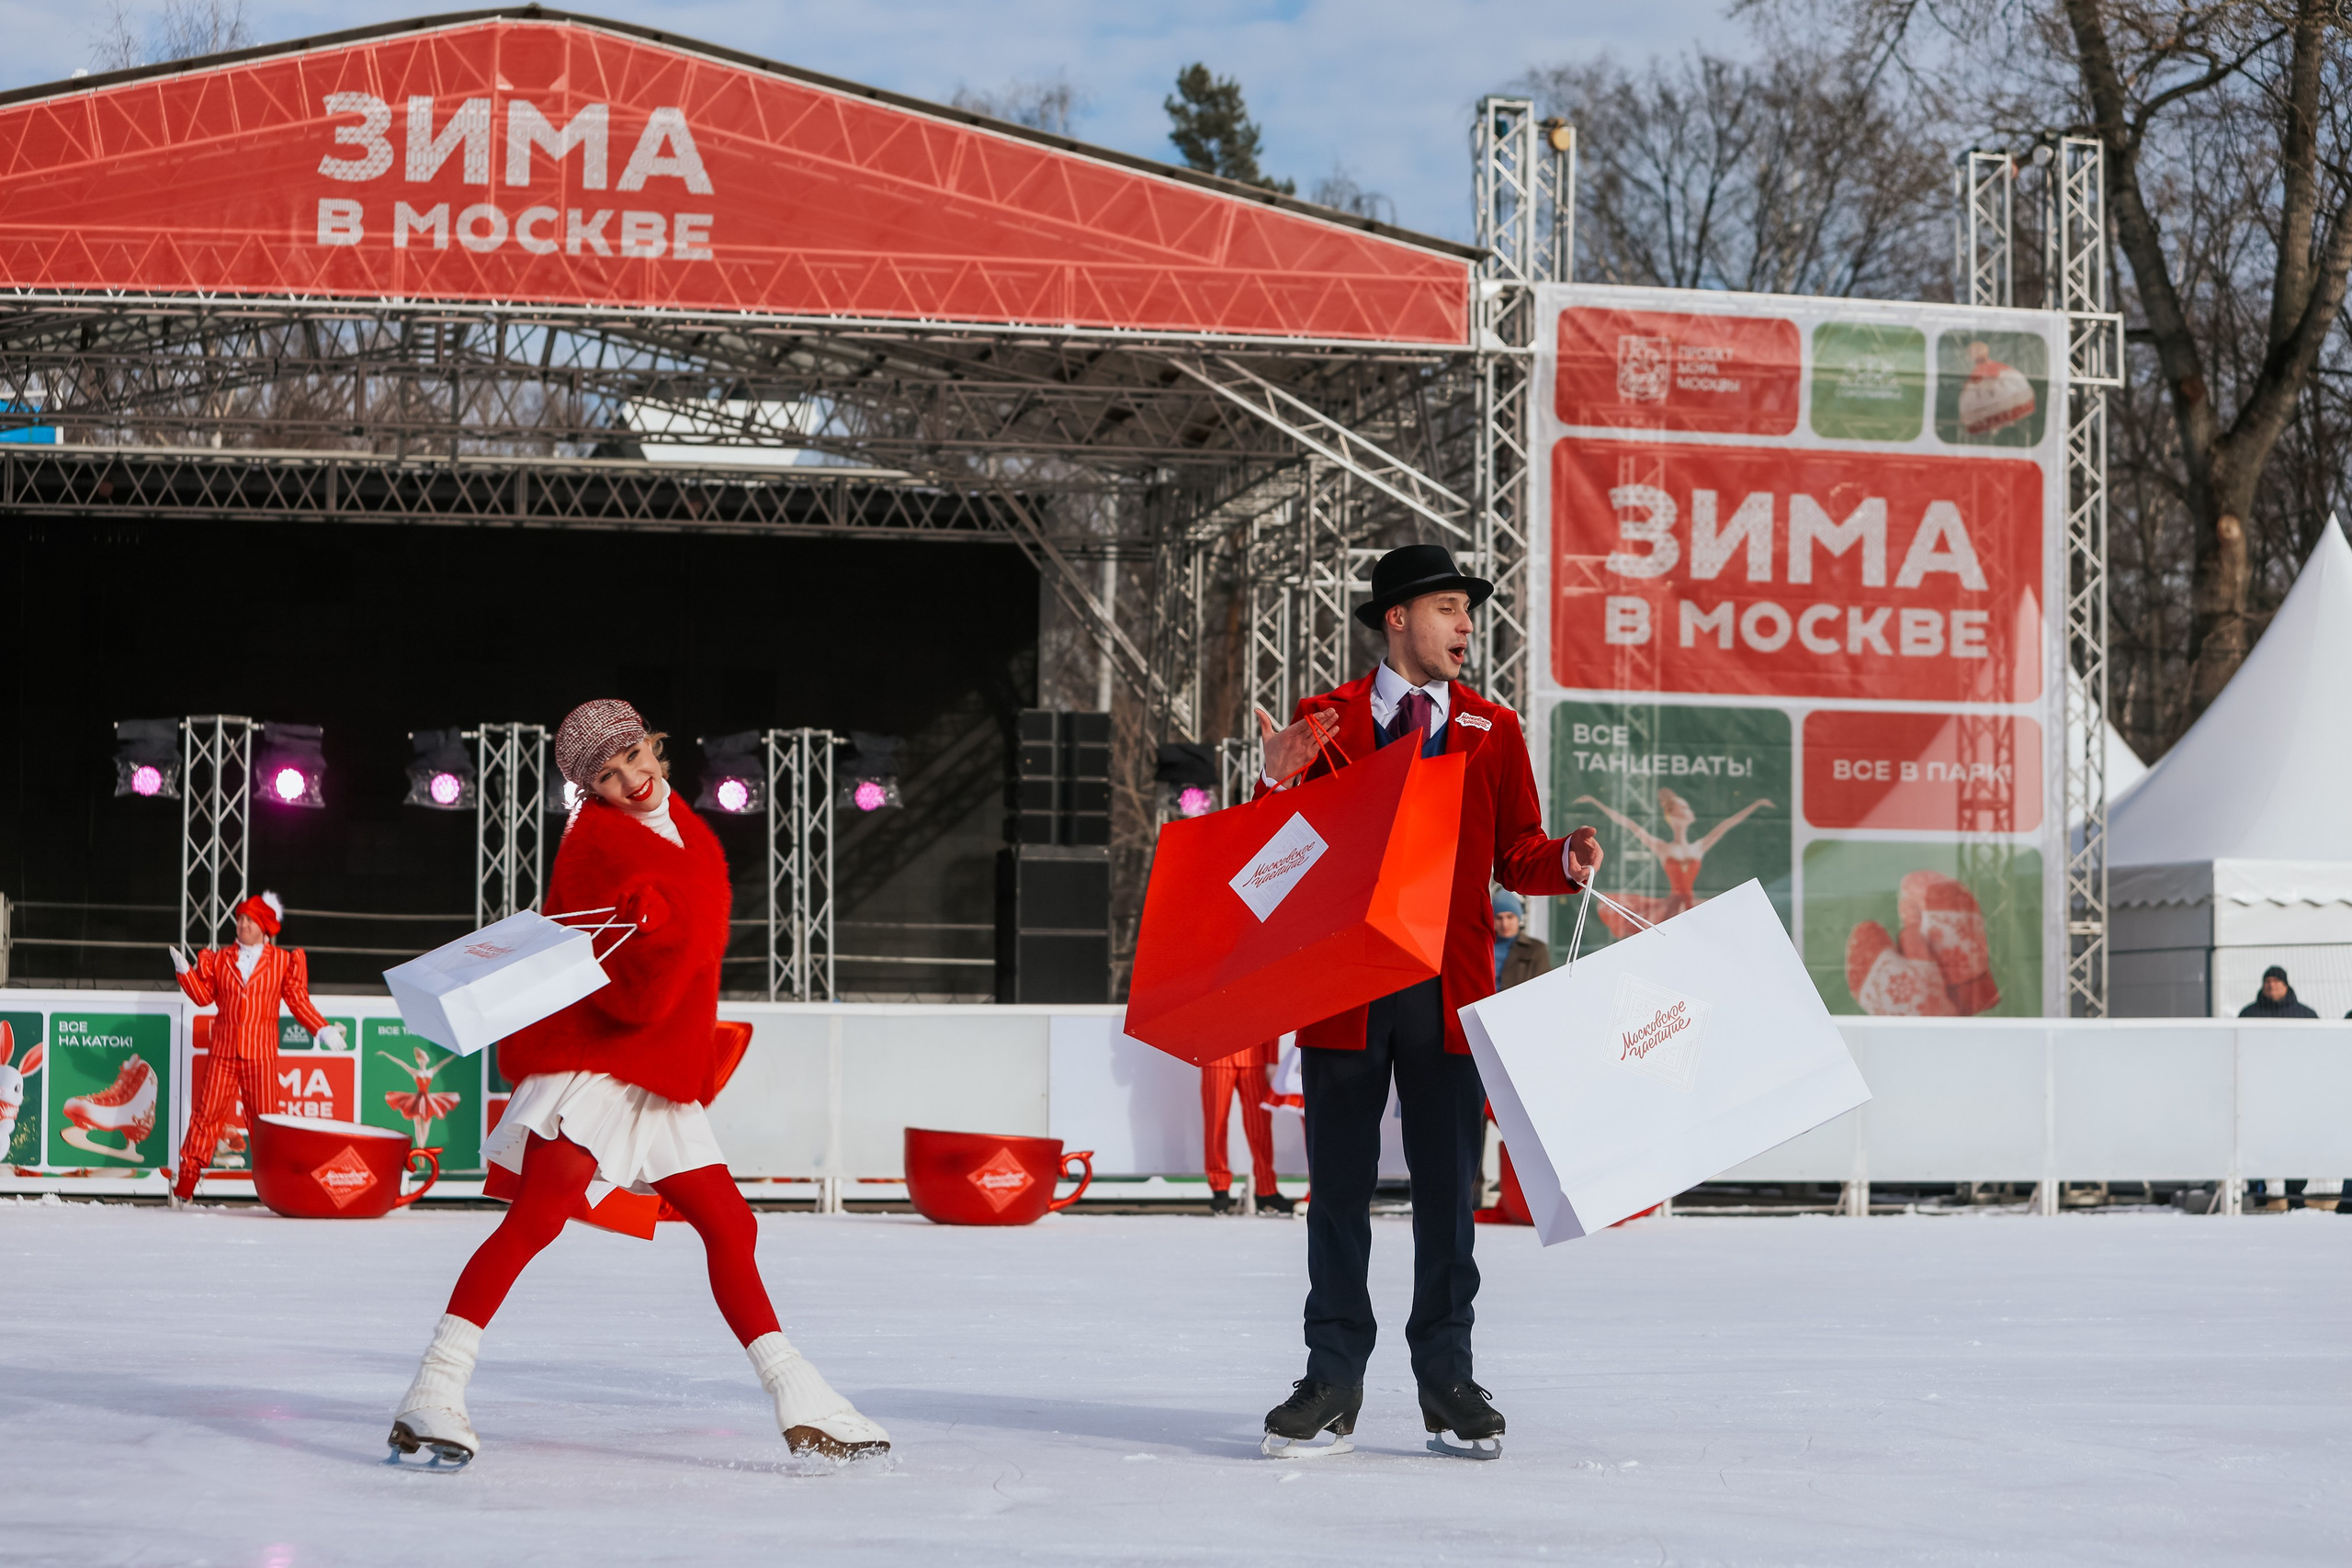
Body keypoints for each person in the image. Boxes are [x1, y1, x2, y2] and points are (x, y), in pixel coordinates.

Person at [388, 699, 888, 1468]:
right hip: (602, 1059)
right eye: (609, 776)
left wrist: (670, 936)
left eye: (636, 757)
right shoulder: (593, 845)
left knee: (730, 1226)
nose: (633, 780)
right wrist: (654, 939)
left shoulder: (679, 819)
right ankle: (433, 1387)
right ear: (590, 789)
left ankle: (801, 1394)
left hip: (656, 1067)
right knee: (538, 1217)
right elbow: (624, 990)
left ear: (654, 743)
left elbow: (697, 946)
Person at [1249, 543, 1602, 1461]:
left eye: (1468, 612)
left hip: (1450, 987)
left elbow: (1515, 850)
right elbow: (1274, 854)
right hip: (1346, 988)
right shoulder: (1322, 719)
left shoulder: (1491, 727)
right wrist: (1275, 777)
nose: (1466, 628)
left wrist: (1561, 859)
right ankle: (1331, 1377)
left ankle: (1447, 1377)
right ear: (1397, 618)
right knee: (1337, 1194)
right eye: (1449, 608)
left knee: (1449, 1195)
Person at [168, 892, 345, 1205]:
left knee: (264, 1123)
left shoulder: (283, 962)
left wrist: (323, 1029)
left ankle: (277, 1187)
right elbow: (203, 997)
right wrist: (184, 972)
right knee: (206, 1117)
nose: (242, 925)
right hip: (223, 1052)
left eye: (249, 919)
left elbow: (298, 1001)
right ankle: (186, 1182)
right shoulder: (220, 959)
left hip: (260, 1055)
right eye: (240, 919)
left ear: (264, 926)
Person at [1571, 786, 1772, 939]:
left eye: (1686, 806)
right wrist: (1595, 802)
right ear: (1672, 814)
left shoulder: (1698, 847)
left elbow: (1727, 824)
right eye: (1682, 806)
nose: (1687, 810)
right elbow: (1627, 823)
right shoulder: (1663, 847)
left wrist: (1757, 804)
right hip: (1670, 908)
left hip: (1691, 904)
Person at [2235, 966, 2320, 1209]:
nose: (2272, 985)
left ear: (2285, 984)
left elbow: (2317, 1050)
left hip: (2296, 1092)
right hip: (2259, 1092)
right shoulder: (2249, 1014)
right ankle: (2258, 1193)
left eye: (2276, 981)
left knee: (2296, 1142)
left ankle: (2294, 1195)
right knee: (2256, 1142)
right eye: (2268, 981)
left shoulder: (2305, 1015)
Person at [1201, 1039, 1293, 1214]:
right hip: (1215, 1056)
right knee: (1215, 1124)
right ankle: (1219, 1187)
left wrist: (1271, 1060)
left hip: (1253, 1056)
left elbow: (1268, 1017)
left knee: (1260, 1126)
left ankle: (1266, 1189)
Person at [1490, 889, 1548, 992]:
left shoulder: (1535, 949)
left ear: (1519, 918)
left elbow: (1544, 986)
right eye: (1499, 918)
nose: (1505, 924)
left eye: (1510, 917)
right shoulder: (1484, 948)